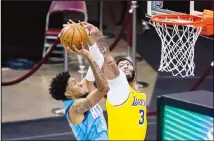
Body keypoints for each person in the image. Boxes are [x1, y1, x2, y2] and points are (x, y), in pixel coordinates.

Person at [66, 20, 147, 140]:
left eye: (128, 64)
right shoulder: (118, 88)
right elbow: (107, 61)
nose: (125, 66)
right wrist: (96, 39)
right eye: (121, 65)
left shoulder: (141, 96)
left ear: (134, 72)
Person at [49, 32, 110, 140]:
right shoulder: (75, 108)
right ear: (68, 93)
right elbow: (104, 88)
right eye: (74, 83)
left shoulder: (81, 91)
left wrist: (88, 38)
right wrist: (88, 56)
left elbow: (99, 61)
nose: (79, 83)